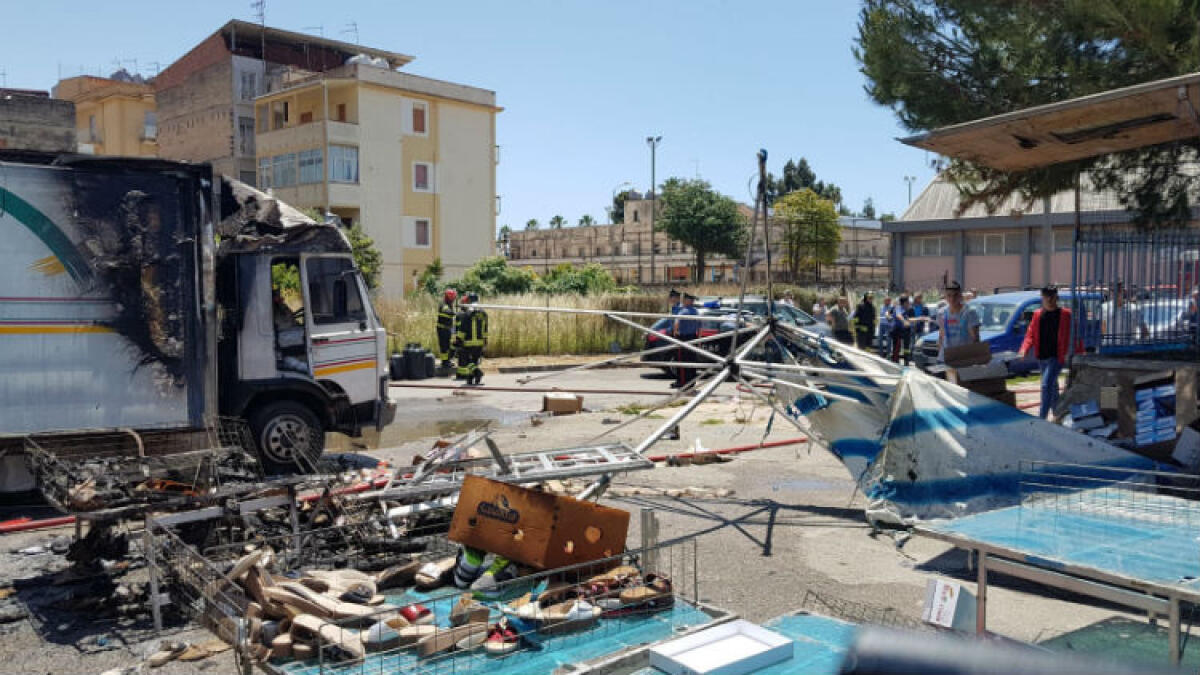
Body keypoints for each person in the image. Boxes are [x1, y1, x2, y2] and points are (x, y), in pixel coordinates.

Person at [1018, 286, 1079, 419]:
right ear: (1042, 298)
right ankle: (1058, 416)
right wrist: (1024, 350)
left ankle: (1042, 418)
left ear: (1057, 297)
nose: (1049, 299)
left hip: (1056, 357)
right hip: (1042, 357)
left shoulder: (1066, 314)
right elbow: (1030, 335)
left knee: (1046, 385)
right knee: (1053, 388)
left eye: (1052, 296)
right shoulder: (1037, 314)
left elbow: (1075, 335)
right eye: (1046, 296)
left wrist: (1080, 352)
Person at [937, 281, 981, 361]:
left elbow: (975, 338)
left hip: (963, 358)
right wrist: (940, 353)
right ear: (945, 296)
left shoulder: (969, 312)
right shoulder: (941, 313)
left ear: (960, 295)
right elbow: (941, 336)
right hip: (945, 358)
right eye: (949, 295)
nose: (952, 299)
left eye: (955, 295)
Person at [455, 293, 488, 385]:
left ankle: (478, 373)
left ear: (469, 300)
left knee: (467, 361)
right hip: (480, 342)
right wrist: (485, 341)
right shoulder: (483, 313)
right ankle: (471, 378)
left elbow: (463, 328)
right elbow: (485, 329)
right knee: (474, 361)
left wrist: (459, 339)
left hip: (468, 342)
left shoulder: (467, 313)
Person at [672, 293, 700, 389]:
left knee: (682, 361)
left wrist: (675, 333)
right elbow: (700, 327)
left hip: (684, 338)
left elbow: (676, 323)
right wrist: (699, 339)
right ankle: (691, 382)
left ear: (686, 301)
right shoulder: (696, 312)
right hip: (693, 338)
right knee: (692, 361)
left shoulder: (683, 312)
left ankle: (682, 382)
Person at [436, 288, 458, 371]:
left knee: (448, 346)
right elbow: (446, 311)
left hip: (447, 329)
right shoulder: (444, 304)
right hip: (442, 329)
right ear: (449, 297)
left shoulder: (449, 304)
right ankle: (444, 362)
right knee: (444, 346)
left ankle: (447, 361)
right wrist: (455, 313)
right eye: (453, 298)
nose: (454, 300)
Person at [890, 296, 914, 364]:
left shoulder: (905, 309)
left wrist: (920, 318)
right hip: (897, 331)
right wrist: (904, 321)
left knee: (906, 348)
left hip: (903, 331)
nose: (909, 303)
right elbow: (898, 315)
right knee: (897, 348)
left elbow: (908, 319)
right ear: (904, 303)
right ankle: (895, 363)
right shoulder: (898, 308)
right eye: (908, 302)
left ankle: (906, 361)